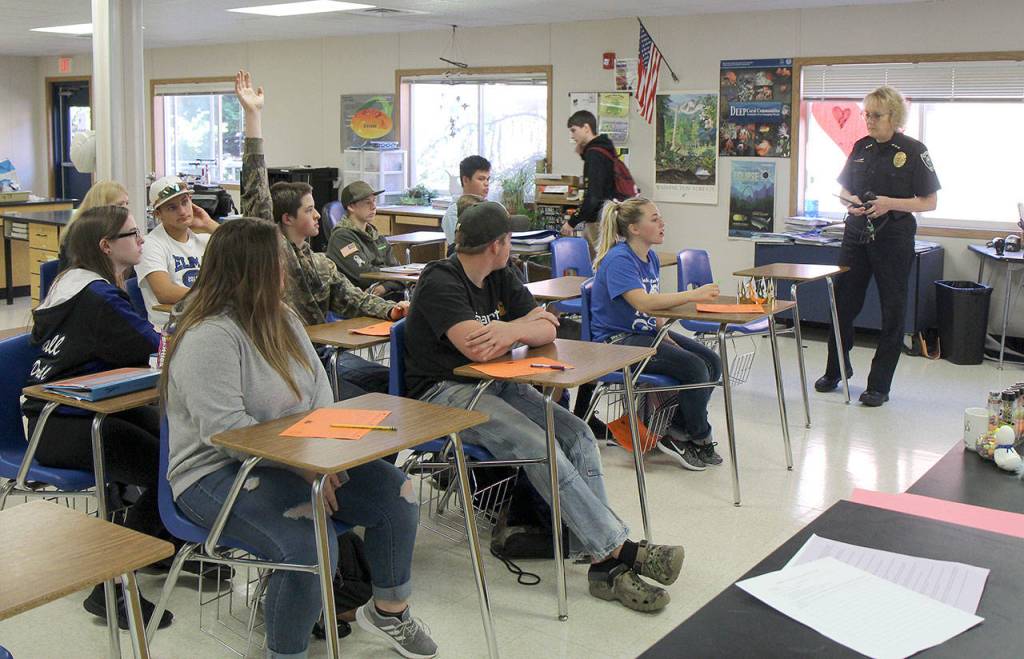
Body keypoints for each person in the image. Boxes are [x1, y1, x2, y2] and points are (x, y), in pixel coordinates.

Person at [163, 217, 437, 659]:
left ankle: (390, 610)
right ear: (250, 268)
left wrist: (322, 459)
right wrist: (304, 466)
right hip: (213, 473)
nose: (286, 269)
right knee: (311, 546)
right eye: (277, 261)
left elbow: (320, 394)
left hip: (296, 458)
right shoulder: (208, 335)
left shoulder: (283, 317)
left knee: (397, 494)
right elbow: (227, 433)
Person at [404, 200, 685, 612]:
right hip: (444, 394)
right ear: (498, 244)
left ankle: (604, 560)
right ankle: (617, 553)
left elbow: (547, 326)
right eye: (509, 241)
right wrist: (517, 329)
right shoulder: (440, 280)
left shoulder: (500, 274)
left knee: (579, 434)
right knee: (540, 446)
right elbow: (477, 347)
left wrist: (509, 331)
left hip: (495, 382)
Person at [22, 205, 175, 630]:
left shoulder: (73, 283)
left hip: (73, 412)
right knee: (173, 471)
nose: (142, 240)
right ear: (106, 246)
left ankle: (161, 544)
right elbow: (155, 347)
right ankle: (110, 584)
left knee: (176, 449)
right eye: (132, 234)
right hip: (63, 424)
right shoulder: (99, 297)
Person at [234, 70, 405, 400]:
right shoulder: (272, 252)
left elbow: (352, 298)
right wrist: (253, 117)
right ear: (286, 218)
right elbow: (255, 194)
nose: (318, 215)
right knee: (364, 400)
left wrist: (391, 310)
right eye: (310, 210)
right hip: (285, 362)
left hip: (320, 355)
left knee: (393, 382)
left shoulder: (320, 262)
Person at [815, 85, 940, 407]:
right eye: (866, 114)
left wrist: (890, 203)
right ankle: (836, 370)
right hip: (856, 234)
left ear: (893, 117)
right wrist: (851, 201)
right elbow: (844, 191)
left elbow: (929, 202)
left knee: (892, 311)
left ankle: (879, 385)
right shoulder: (861, 147)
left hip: (893, 237)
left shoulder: (913, 151)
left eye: (876, 115)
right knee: (841, 304)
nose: (869, 120)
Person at [590, 197, 723, 471]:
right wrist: (692, 295)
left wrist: (667, 335)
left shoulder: (649, 257)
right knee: (695, 368)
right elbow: (643, 302)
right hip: (617, 344)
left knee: (712, 361)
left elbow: (655, 305)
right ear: (634, 228)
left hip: (644, 335)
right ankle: (694, 435)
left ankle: (678, 430)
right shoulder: (619, 259)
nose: (663, 223)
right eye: (654, 219)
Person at [136, 175, 220, 327]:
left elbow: (247, 253)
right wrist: (217, 296)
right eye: (172, 208)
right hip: (172, 327)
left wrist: (209, 225)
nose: (182, 211)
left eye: (185, 202)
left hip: (206, 319)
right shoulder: (150, 244)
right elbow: (165, 293)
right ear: (158, 214)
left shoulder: (205, 238)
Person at [326, 181, 404, 302]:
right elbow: (364, 275)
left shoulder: (376, 235)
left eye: (374, 201)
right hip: (359, 301)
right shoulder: (342, 237)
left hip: (385, 296)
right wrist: (395, 279)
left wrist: (386, 286)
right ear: (351, 207)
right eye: (367, 202)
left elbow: (399, 270)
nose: (373, 207)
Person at [561, 110, 620, 255]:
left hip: (598, 221)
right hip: (608, 217)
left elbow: (593, 196)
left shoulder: (594, 154)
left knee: (600, 263)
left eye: (574, 130)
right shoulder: (605, 148)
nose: (572, 135)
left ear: (586, 128)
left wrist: (572, 222)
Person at [59, 179, 130, 269]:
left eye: (127, 203)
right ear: (102, 205)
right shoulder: (81, 233)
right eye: (120, 205)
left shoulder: (115, 230)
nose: (126, 210)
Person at [441, 156, 491, 250]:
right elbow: (460, 248)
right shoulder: (454, 213)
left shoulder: (488, 207)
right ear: (465, 180)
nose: (486, 183)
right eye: (481, 179)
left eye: (488, 179)